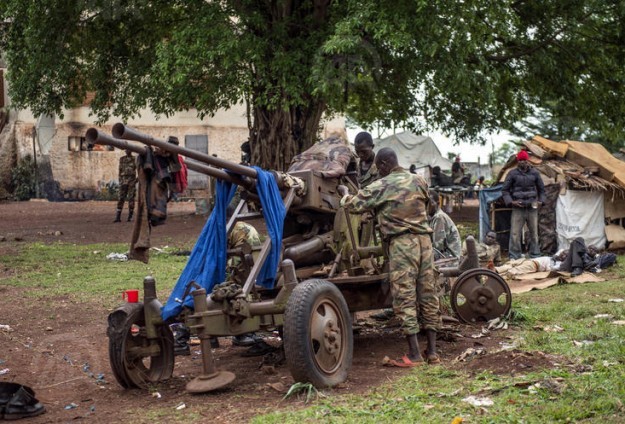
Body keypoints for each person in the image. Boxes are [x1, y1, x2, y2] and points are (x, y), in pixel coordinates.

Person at [338, 147, 441, 366]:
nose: (378, 172)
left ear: (384, 165)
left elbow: (354, 205)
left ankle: (414, 354)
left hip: (402, 244)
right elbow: (429, 205)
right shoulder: (419, 181)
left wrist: (343, 194)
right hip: (425, 242)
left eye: (379, 168)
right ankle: (432, 351)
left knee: (404, 296)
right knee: (428, 293)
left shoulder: (381, 185)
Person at [501, 150, 545, 259]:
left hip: (532, 207)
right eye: (520, 160)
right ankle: (514, 256)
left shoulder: (535, 173)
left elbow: (542, 190)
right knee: (515, 233)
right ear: (517, 161)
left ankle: (535, 255)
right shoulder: (512, 173)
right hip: (518, 208)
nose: (522, 162)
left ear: (528, 160)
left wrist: (541, 202)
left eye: (524, 160)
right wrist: (511, 202)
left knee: (534, 233)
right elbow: (504, 190)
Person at [428, 190, 461, 260]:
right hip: (446, 254)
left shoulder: (439, 217)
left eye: (430, 203)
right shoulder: (432, 217)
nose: (427, 206)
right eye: (425, 203)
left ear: (438, 203)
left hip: (450, 257)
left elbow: (438, 246)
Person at [114, 149, 137, 222]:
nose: (127, 151)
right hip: (123, 181)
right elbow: (120, 170)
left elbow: (139, 170)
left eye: (128, 150)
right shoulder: (122, 159)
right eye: (126, 150)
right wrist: (120, 181)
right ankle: (118, 217)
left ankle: (130, 217)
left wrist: (136, 180)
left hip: (131, 181)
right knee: (121, 198)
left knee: (131, 198)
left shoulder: (134, 159)